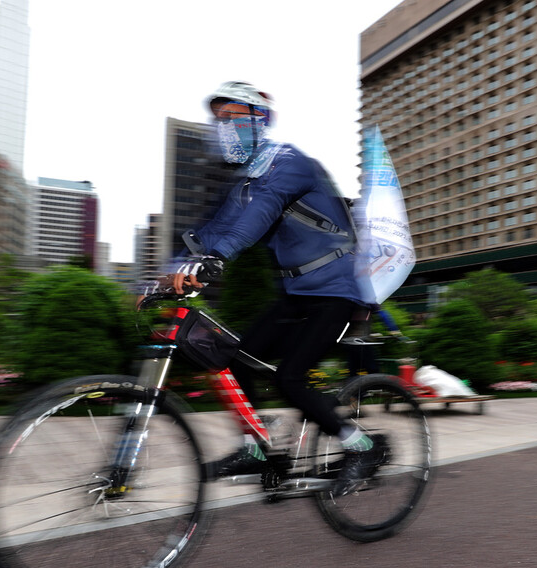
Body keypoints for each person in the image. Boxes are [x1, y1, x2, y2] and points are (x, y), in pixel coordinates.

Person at [159, 81, 386, 495]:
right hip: (294, 296)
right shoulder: (246, 182)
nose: (223, 127)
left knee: (289, 379)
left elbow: (261, 211)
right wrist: (168, 271)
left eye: (233, 118)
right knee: (235, 359)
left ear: (260, 120)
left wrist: (220, 257)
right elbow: (216, 229)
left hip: (336, 292)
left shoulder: (290, 162)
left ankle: (363, 448)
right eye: (218, 120)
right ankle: (258, 452)